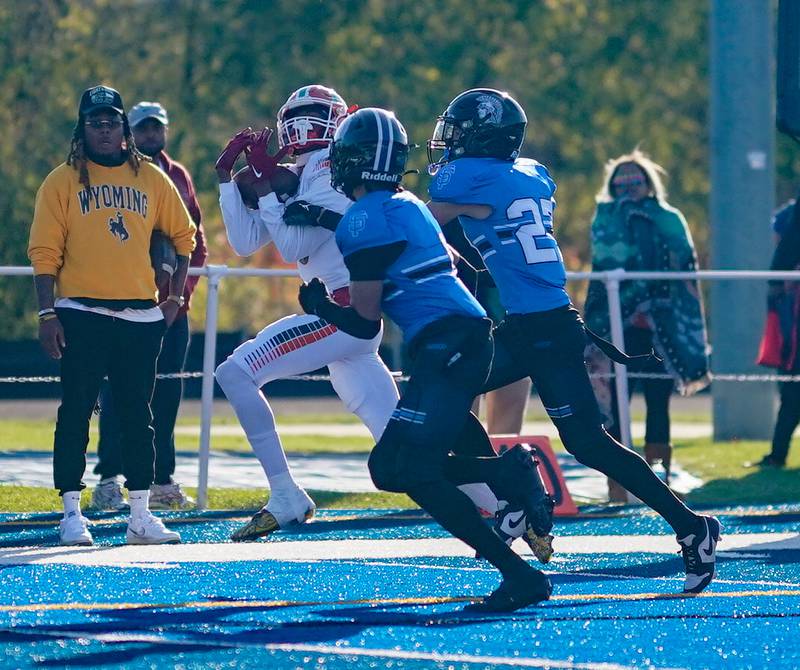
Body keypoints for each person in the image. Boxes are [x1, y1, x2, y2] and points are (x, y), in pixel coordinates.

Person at [425, 88, 720, 594]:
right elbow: (493, 236)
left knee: (584, 442)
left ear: (482, 135)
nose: (449, 142)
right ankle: (513, 493)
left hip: (542, 330)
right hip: (538, 323)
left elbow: (424, 225)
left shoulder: (468, 176)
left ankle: (692, 527)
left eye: (460, 130)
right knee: (449, 392)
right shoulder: (532, 173)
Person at [304, 106, 553, 612]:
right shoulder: (407, 205)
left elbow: (365, 321)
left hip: (447, 342)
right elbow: (460, 268)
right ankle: (509, 489)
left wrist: (319, 306)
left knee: (403, 469)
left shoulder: (363, 219)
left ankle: (518, 556)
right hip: (464, 335)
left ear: (349, 161)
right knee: (399, 466)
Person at [213, 85, 400, 541]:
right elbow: (244, 242)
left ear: (337, 119)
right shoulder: (304, 172)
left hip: (340, 313)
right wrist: (227, 179)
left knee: (234, 374)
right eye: (295, 118)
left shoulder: (334, 168)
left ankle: (285, 495)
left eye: (314, 115)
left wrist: (268, 190)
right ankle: (492, 499)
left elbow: (294, 244)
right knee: (402, 446)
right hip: (346, 322)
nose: (301, 127)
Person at [27, 85, 196, 545]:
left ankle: (140, 514)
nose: (104, 129)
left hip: (140, 315)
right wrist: (47, 314)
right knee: (76, 412)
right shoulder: (61, 180)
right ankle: (71, 513)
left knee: (138, 417)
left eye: (112, 121)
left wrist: (175, 300)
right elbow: (44, 253)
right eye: (95, 122)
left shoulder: (152, 179)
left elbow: (186, 237)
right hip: (80, 311)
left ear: (124, 128)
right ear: (82, 129)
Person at [92, 100, 208, 511]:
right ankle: (109, 480)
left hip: (171, 311)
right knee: (116, 392)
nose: (150, 135)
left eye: (156, 127)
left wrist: (180, 298)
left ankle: (162, 481)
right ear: (129, 132)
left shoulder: (177, 176)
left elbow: (193, 243)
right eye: (142, 129)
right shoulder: (114, 173)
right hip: (124, 306)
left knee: (167, 397)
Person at [582, 150, 710, 500]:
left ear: (648, 184)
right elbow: (606, 258)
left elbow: (683, 261)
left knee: (658, 396)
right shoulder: (606, 216)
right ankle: (619, 478)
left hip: (662, 325)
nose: (627, 187)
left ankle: (659, 475)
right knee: (619, 396)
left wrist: (650, 297)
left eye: (635, 181)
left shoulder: (668, 216)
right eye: (620, 181)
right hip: (617, 324)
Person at [443, 222, 532, 434]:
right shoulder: (445, 196)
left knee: (513, 378)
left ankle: (505, 456)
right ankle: (465, 458)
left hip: (503, 293)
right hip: (460, 296)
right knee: (462, 385)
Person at [751, 198, 800, 468]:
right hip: (793, 334)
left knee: (791, 394)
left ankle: (777, 454)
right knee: (791, 393)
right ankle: (777, 454)